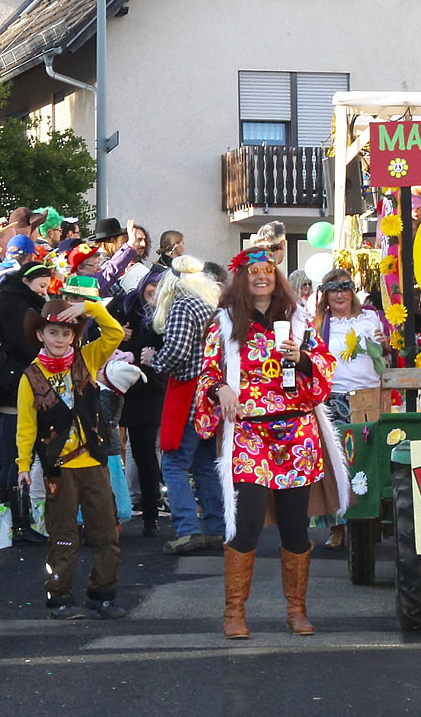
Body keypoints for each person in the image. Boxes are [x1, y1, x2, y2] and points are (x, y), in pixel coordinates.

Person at [193, 247, 345, 639]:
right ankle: (234, 613)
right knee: (246, 525)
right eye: (253, 271)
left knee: (296, 528)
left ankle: (296, 611)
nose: (262, 277)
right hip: (249, 434)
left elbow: (327, 365)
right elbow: (207, 372)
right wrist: (222, 388)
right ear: (241, 279)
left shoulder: (298, 320)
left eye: (268, 271)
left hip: (296, 434)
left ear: (277, 279)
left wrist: (305, 358)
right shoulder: (224, 324)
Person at [16, 297, 126, 619]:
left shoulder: (87, 359)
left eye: (66, 334)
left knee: (106, 532)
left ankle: (102, 594)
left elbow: (114, 333)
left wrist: (89, 309)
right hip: (58, 470)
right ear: (41, 335)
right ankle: (59, 596)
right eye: (53, 333)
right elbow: (25, 426)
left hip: (93, 462)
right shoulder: (30, 378)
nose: (60, 340)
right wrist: (24, 465)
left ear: (74, 337)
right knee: (63, 536)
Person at [150, 255, 225, 555]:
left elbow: (177, 351)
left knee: (175, 463)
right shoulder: (210, 303)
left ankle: (186, 529)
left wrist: (153, 361)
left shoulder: (183, 305)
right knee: (206, 463)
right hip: (210, 395)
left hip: (188, 394)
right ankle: (216, 528)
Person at [314, 268, 385, 548]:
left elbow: (384, 350)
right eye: (333, 289)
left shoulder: (369, 317)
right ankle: (338, 527)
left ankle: (370, 524)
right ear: (325, 295)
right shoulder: (320, 324)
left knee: (368, 461)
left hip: (368, 397)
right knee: (336, 463)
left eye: (345, 288)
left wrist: (384, 344)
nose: (340, 294)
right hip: (333, 397)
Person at [0, 262, 51, 543]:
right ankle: (18, 525)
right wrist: (43, 356)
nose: (45, 292)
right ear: (27, 281)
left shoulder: (10, 298)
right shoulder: (15, 303)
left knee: (12, 456)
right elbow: (17, 343)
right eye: (41, 286)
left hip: (11, 387)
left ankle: (13, 525)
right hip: (13, 388)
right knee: (14, 457)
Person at [108, 270, 166, 536]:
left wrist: (155, 356)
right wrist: (117, 334)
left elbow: (173, 348)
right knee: (105, 450)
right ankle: (106, 511)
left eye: (161, 285)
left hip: (149, 388)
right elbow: (97, 327)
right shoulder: (125, 304)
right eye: (152, 284)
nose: (155, 289)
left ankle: (150, 514)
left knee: (145, 453)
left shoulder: (168, 312)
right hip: (115, 385)